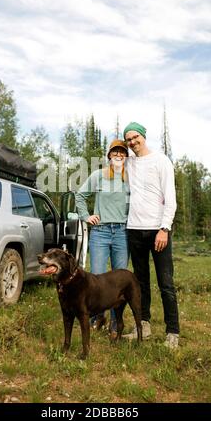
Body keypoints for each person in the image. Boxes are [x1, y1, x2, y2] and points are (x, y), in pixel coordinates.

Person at [122, 122, 180, 349]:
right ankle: (142, 326)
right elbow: (112, 157)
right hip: (135, 229)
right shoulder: (129, 163)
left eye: (135, 137)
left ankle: (172, 332)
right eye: (128, 139)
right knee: (140, 283)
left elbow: (170, 198)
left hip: (158, 230)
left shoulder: (161, 161)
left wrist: (164, 228)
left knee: (166, 283)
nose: (132, 142)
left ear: (143, 136)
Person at [75, 139, 129, 337]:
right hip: (100, 232)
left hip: (123, 233)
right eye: (115, 151)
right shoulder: (99, 176)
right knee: (96, 278)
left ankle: (116, 324)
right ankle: (96, 317)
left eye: (122, 152)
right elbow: (80, 196)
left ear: (126, 156)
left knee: (119, 281)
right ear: (109, 155)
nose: (118, 155)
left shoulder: (129, 178)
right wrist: (86, 216)